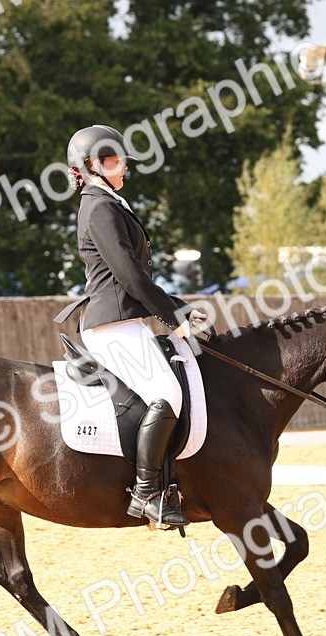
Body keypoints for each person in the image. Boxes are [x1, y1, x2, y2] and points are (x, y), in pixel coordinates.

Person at [55, 124, 210, 528]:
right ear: (91, 166)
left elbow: (135, 276)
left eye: (120, 160)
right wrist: (173, 316)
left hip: (125, 319)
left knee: (169, 390)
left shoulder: (108, 201)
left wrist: (178, 307)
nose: (123, 167)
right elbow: (129, 274)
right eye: (113, 160)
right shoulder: (100, 206)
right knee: (167, 393)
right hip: (112, 324)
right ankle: (147, 494)